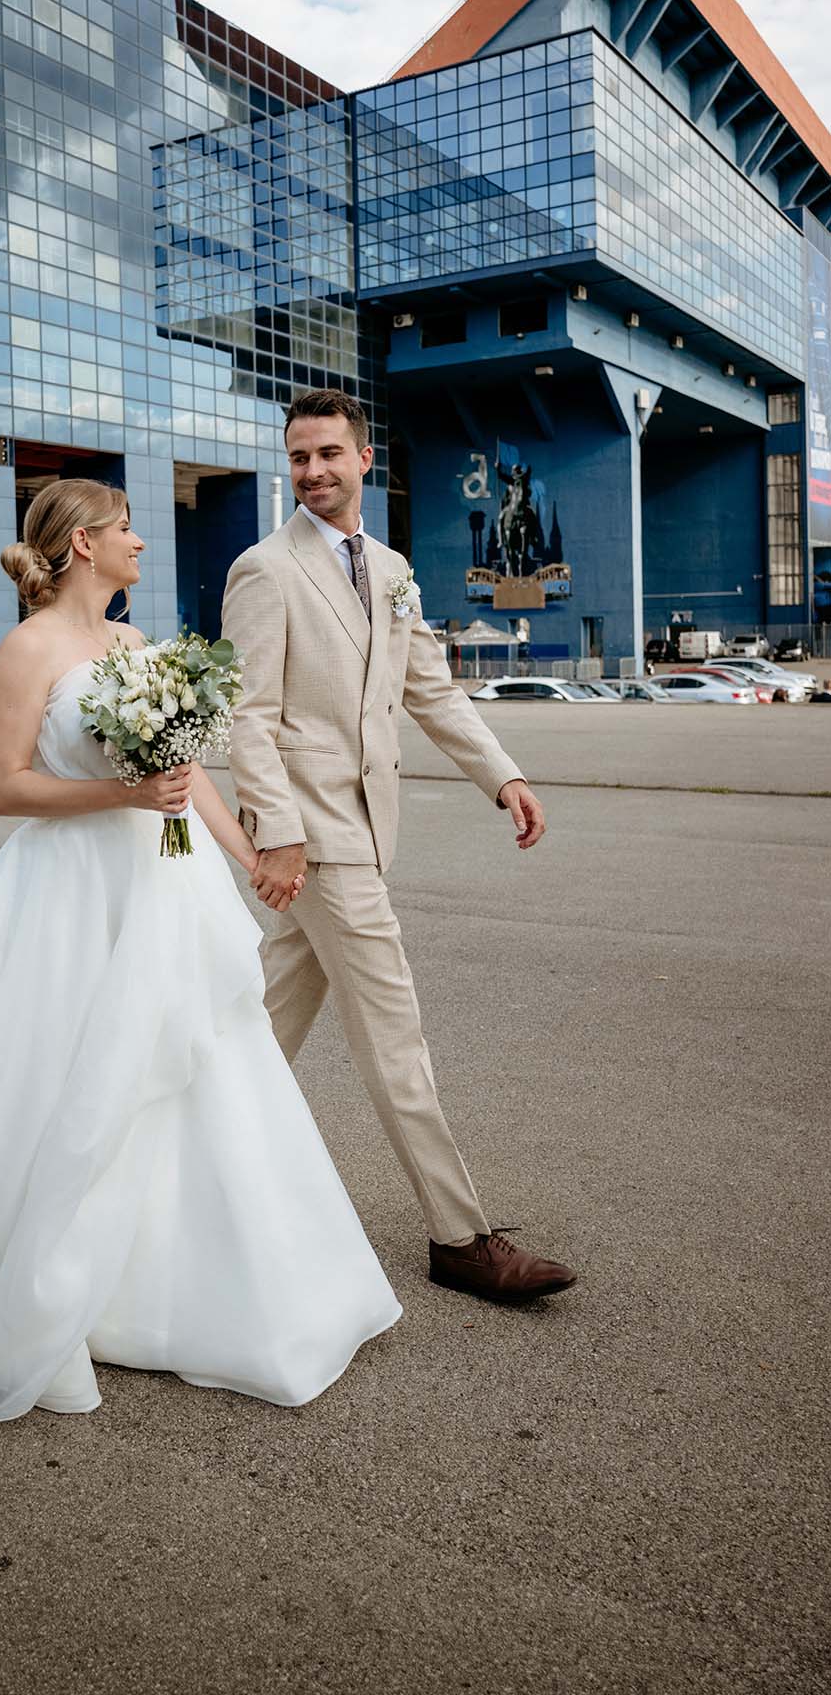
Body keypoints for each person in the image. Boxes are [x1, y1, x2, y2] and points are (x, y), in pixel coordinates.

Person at [0, 477, 400, 1421]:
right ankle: (36, 1279)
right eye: (127, 528)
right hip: (65, 895)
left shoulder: (136, 645)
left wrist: (253, 853)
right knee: (51, 1079)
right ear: (84, 544)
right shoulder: (27, 650)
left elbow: (184, 776)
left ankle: (191, 1277)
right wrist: (121, 798)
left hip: (164, 883)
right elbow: (5, 791)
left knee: (194, 1069)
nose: (141, 540)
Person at [222, 389, 576, 1306]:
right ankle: (459, 1238)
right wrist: (282, 836)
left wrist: (504, 776)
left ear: (364, 459)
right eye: (298, 457)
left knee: (248, 1034)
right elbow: (248, 719)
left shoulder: (389, 567)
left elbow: (432, 692)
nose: (313, 472)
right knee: (395, 1038)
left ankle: (156, 1179)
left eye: (329, 454)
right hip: (320, 840)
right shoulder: (263, 569)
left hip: (370, 829)